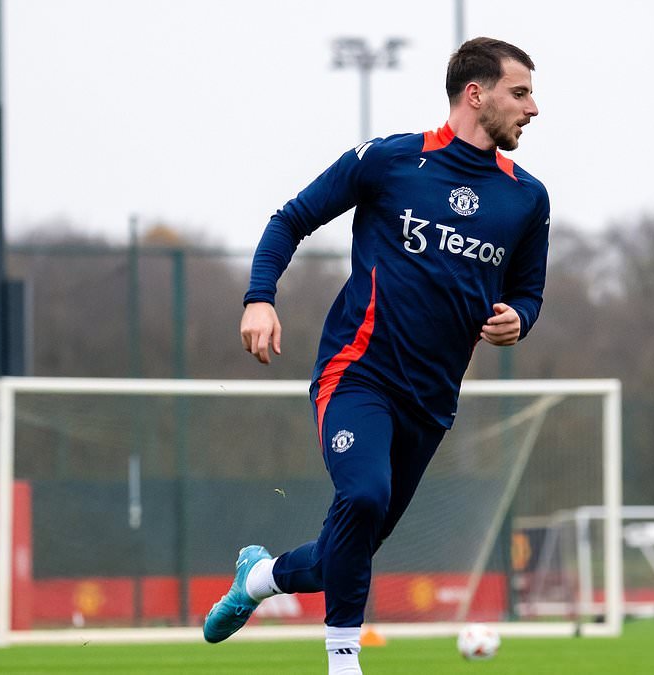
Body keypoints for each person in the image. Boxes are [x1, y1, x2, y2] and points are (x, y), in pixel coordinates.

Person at [203, 37, 548, 675]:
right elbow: (290, 220)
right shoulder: (390, 161)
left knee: (351, 546)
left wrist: (517, 319)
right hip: (357, 375)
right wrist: (259, 299)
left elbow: (529, 291)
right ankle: (343, 661)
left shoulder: (527, 198)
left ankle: (259, 578)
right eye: (521, 93)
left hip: (433, 400)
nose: (534, 109)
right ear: (476, 95)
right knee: (362, 498)